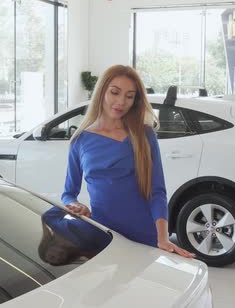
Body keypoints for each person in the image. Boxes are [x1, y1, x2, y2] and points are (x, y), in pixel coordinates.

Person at [61, 64, 194, 258]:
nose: (121, 102)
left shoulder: (144, 134)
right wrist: (75, 205)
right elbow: (68, 193)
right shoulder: (80, 141)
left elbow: (157, 191)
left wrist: (163, 238)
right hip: (104, 235)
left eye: (129, 96)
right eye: (115, 92)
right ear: (101, 92)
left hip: (145, 234)